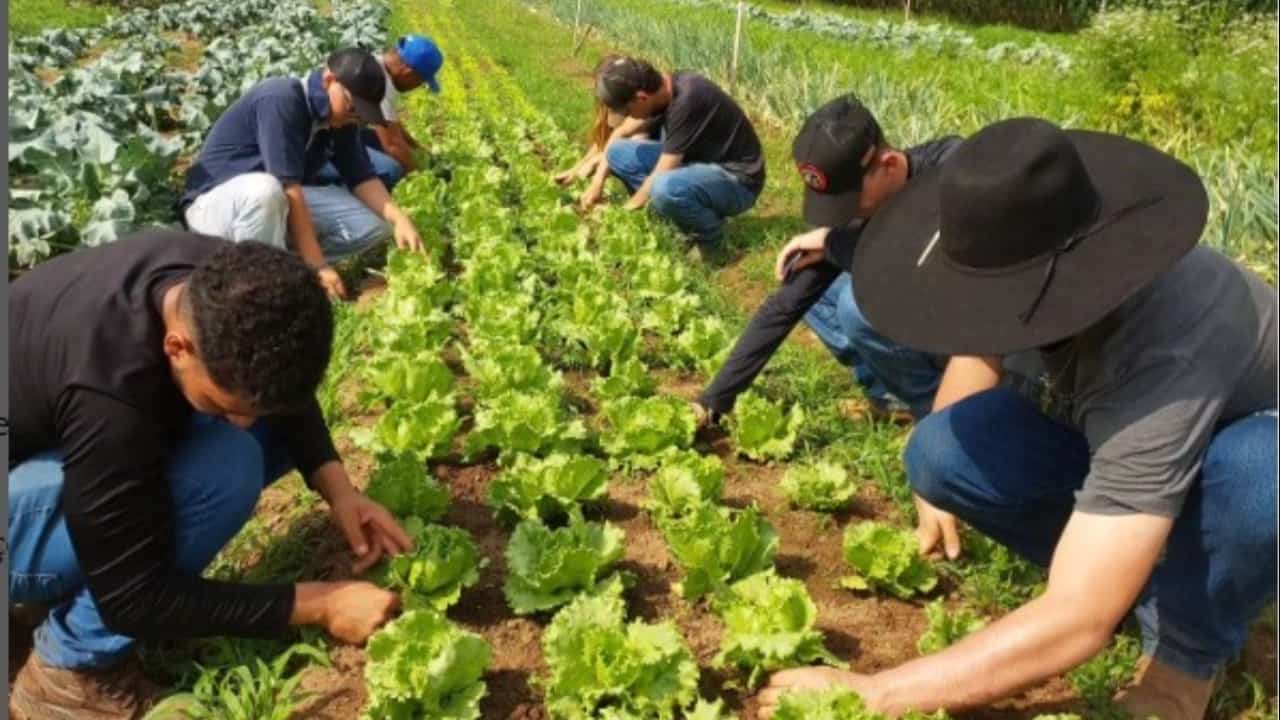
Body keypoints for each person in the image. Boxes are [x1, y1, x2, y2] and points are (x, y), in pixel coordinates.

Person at [755, 118, 1278, 720]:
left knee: (1261, 475)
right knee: (942, 453)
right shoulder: (1030, 252)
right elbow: (981, 351)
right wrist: (933, 477)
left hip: (1238, 435)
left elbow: (1081, 617)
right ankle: (1137, 571)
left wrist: (877, 692)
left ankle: (1186, 658)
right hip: (1126, 428)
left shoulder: (1163, 341)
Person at [8, 230, 413, 719]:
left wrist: (340, 491)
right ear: (177, 347)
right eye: (225, 404)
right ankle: (68, 673)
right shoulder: (110, 395)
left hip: (44, 441)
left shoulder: (222, 284)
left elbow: (281, 393)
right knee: (225, 466)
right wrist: (321, 603)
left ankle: (63, 576)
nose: (242, 420)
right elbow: (133, 598)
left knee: (255, 434)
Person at [692, 94, 959, 429]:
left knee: (857, 304)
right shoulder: (861, 207)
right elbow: (783, 307)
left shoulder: (955, 172)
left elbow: (928, 269)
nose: (843, 215)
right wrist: (713, 401)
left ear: (888, 165)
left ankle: (940, 417)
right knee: (809, 285)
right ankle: (892, 398)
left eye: (849, 202)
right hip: (922, 318)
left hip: (978, 339)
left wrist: (836, 245)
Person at [181, 47, 425, 300]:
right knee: (265, 190)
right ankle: (260, 285)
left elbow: (362, 177)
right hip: (216, 207)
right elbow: (288, 187)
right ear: (330, 80)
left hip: (270, 205)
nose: (356, 117)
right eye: (353, 106)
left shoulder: (340, 120)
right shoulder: (281, 98)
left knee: (375, 226)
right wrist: (317, 264)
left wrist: (399, 219)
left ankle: (285, 267)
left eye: (361, 114)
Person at [584, 56, 764, 245]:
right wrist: (597, 184)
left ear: (641, 98)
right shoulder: (662, 91)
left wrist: (621, 215)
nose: (627, 117)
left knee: (665, 188)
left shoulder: (688, 100)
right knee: (618, 153)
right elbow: (619, 134)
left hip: (738, 181)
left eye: (627, 111)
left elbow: (662, 172)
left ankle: (710, 238)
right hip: (699, 162)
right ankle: (666, 216)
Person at [316, 34, 445, 191]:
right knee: (392, 170)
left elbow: (393, 127)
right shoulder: (377, 83)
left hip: (336, 132)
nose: (418, 86)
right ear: (408, 72)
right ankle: (335, 188)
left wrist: (422, 152)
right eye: (421, 81)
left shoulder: (377, 66)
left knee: (374, 140)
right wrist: (423, 184)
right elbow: (393, 146)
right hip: (318, 145)